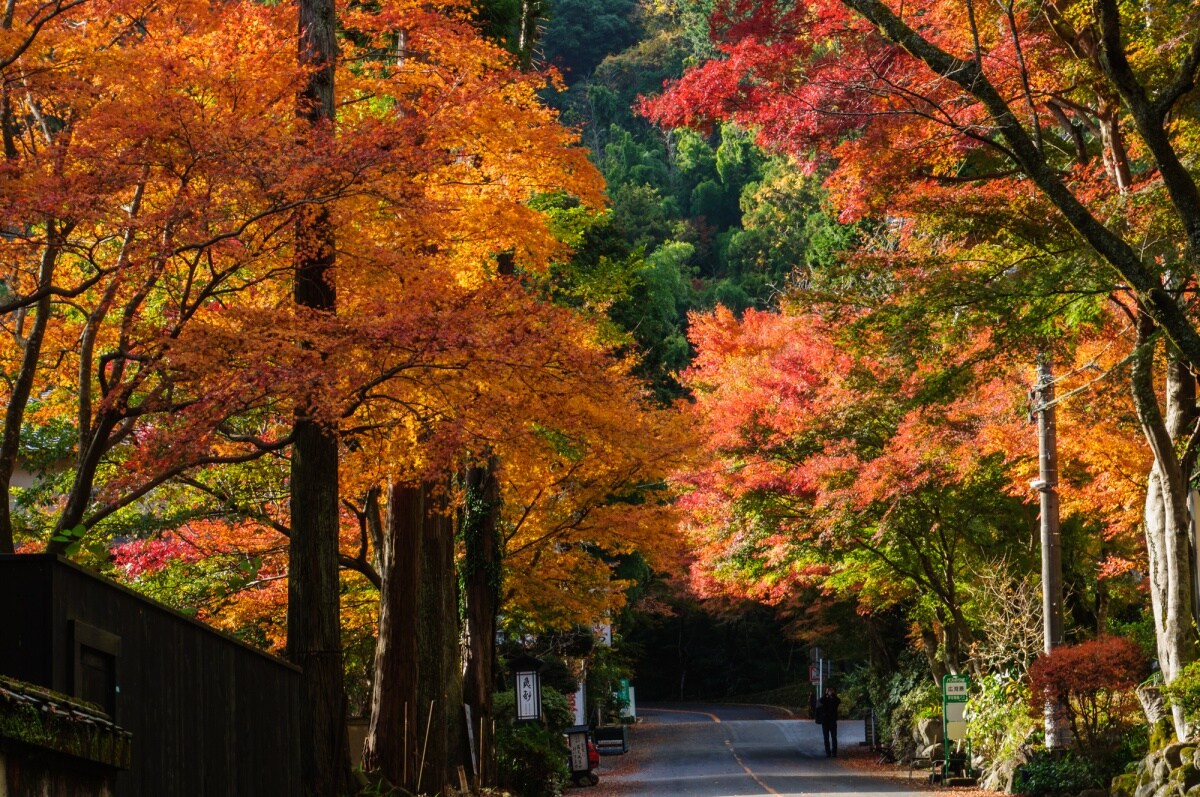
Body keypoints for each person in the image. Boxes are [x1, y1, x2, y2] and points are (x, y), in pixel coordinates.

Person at [817, 686, 840, 757]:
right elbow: (820, 702)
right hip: (825, 721)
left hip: (832, 720)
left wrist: (832, 695)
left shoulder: (834, 699)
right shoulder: (824, 699)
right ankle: (828, 752)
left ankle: (834, 752)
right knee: (826, 738)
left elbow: (838, 701)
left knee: (834, 737)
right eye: (828, 690)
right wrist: (825, 695)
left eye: (831, 690)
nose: (829, 692)